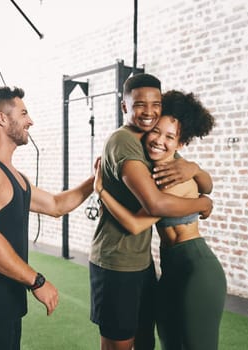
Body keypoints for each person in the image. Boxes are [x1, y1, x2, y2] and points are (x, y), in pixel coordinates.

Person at [0, 86, 95, 350]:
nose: (30, 121)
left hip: (7, 303)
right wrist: (36, 280)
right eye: (24, 113)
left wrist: (96, 180)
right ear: (2, 119)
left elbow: (55, 205)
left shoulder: (13, 175)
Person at [89, 73, 214, 350]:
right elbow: (153, 207)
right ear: (125, 106)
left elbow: (206, 183)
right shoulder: (127, 141)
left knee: (161, 342)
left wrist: (195, 169)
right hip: (123, 261)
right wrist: (204, 204)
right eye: (139, 104)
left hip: (162, 262)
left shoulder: (162, 151)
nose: (149, 114)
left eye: (155, 104)